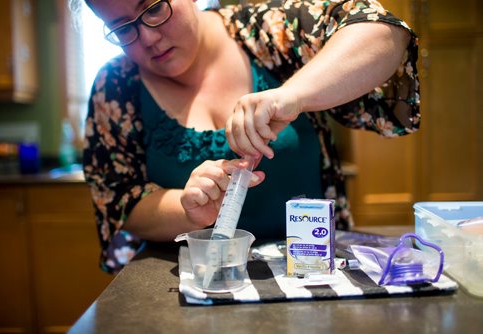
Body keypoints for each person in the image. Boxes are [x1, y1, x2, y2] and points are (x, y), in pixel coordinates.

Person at [72, 0, 420, 273]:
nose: (147, 37)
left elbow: (383, 31)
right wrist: (187, 207)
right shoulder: (116, 86)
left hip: (311, 267)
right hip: (193, 281)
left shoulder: (266, 31)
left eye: (153, 8)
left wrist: (293, 95)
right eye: (120, 29)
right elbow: (121, 204)